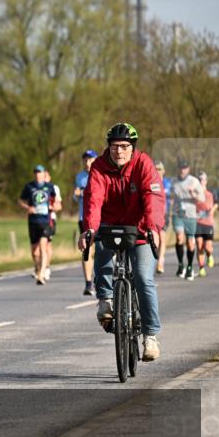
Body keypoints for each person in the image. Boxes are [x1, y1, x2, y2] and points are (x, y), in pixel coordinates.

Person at [79, 123, 164, 360]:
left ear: (133, 147)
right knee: (102, 251)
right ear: (109, 147)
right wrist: (90, 230)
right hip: (109, 225)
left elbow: (153, 197)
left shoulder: (143, 164)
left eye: (125, 146)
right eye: (115, 146)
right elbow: (94, 199)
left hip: (139, 228)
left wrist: (152, 227)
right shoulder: (99, 167)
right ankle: (105, 299)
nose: (119, 151)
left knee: (143, 276)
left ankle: (150, 336)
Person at [19, 165, 60, 285]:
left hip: (45, 221)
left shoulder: (50, 187)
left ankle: (41, 274)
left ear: (44, 174)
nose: (38, 175)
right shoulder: (29, 186)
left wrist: (54, 207)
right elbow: (21, 200)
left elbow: (56, 201)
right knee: (35, 252)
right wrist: (28, 207)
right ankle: (37, 268)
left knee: (43, 247)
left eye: (40, 172)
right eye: (36, 172)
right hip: (33, 221)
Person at [170, 161, 205, 281]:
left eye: (184, 168)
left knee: (190, 242)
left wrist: (193, 193)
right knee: (179, 237)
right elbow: (171, 196)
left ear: (188, 169)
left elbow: (202, 198)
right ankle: (181, 265)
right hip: (178, 213)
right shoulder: (174, 181)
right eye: (180, 168)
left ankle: (190, 266)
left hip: (191, 215)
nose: (182, 170)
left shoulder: (194, 181)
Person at [73, 150, 98, 295]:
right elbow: (76, 197)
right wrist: (76, 195)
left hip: (100, 218)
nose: (87, 163)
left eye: (90, 160)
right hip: (84, 218)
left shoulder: (101, 173)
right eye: (85, 160)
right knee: (87, 249)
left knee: (102, 249)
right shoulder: (80, 177)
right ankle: (88, 283)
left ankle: (103, 277)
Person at [195, 172, 216, 277]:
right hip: (197, 223)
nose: (201, 181)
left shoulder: (210, 194)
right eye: (199, 179)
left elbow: (216, 203)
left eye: (203, 179)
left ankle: (210, 255)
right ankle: (201, 268)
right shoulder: (195, 194)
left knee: (207, 247)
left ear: (206, 181)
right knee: (199, 246)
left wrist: (213, 210)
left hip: (208, 223)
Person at [154, 161, 171, 274]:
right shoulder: (150, 181)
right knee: (154, 238)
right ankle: (153, 260)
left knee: (161, 236)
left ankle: (160, 262)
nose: (157, 171)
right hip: (153, 213)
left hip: (164, 213)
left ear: (163, 171)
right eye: (155, 169)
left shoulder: (167, 183)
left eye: (160, 169)